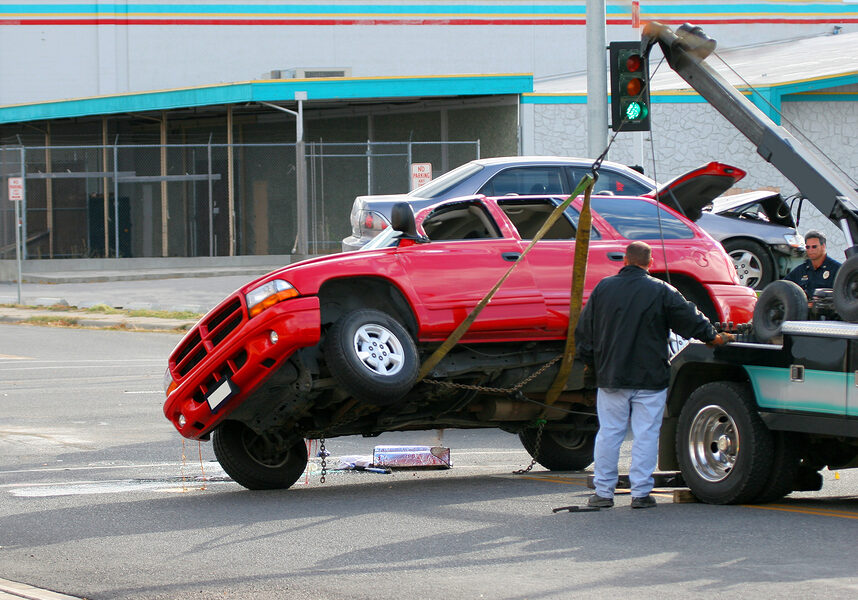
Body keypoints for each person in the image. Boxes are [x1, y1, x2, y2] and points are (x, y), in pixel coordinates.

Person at [575, 241, 733, 509]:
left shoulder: (603, 289)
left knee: (609, 433)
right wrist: (713, 337)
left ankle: (603, 493)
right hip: (649, 377)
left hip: (612, 376)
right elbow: (690, 318)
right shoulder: (661, 290)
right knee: (646, 434)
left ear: (624, 260)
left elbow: (584, 332)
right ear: (650, 263)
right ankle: (640, 494)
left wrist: (592, 365)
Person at [784, 230, 841, 297]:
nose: (810, 250)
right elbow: (783, 287)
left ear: (823, 246)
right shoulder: (801, 270)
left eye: (814, 247)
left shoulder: (837, 269)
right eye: (808, 247)